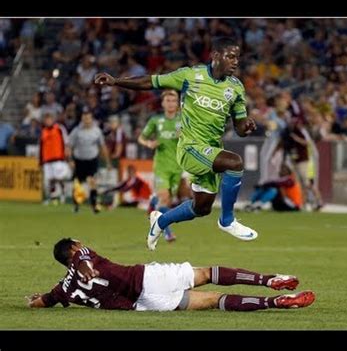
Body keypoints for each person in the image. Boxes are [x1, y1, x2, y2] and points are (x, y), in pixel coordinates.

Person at [95, 37, 259, 251]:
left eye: (237, 57)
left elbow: (239, 127)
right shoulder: (190, 76)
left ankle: (160, 221)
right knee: (234, 163)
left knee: (201, 208)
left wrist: (246, 127)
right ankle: (227, 220)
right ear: (215, 56)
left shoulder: (236, 88)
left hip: (210, 150)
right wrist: (116, 81)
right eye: (230, 56)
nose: (235, 62)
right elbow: (150, 81)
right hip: (190, 148)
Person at [26, 238, 315, 312]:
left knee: (214, 300)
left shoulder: (62, 288)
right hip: (146, 279)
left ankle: (274, 303)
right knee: (207, 273)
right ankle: (270, 280)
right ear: (74, 247)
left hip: (145, 306)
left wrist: (35, 301)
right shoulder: (81, 253)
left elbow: (44, 301)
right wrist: (86, 263)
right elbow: (85, 262)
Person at [138, 89, 189, 242]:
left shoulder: (184, 120)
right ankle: (167, 232)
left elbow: (194, 138)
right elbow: (141, 137)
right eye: (168, 101)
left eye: (174, 101)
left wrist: (185, 136)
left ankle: (153, 201)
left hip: (178, 166)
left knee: (166, 202)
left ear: (178, 104)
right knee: (165, 198)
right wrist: (149, 143)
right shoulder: (156, 120)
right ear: (162, 103)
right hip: (161, 165)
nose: (171, 103)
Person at [69, 111, 112, 213]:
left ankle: (94, 205)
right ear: (82, 120)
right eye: (84, 119)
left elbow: (102, 147)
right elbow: (69, 146)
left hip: (92, 160)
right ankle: (76, 205)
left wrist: (108, 162)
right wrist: (70, 159)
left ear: (91, 119)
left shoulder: (97, 131)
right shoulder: (76, 131)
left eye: (88, 118)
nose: (86, 121)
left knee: (92, 181)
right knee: (78, 183)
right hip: (79, 160)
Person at [39, 112, 71, 204]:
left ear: (53, 120)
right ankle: (50, 197)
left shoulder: (59, 128)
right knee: (48, 180)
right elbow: (41, 147)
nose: (47, 121)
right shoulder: (43, 131)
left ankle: (62, 195)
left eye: (49, 119)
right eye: (46, 119)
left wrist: (68, 156)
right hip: (47, 159)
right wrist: (40, 161)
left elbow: (66, 142)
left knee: (59, 178)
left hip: (58, 158)